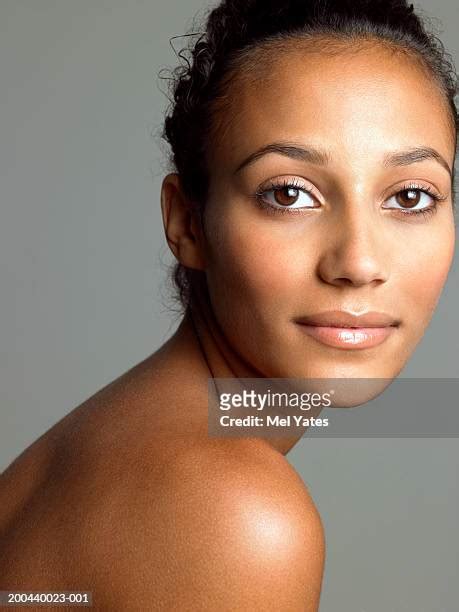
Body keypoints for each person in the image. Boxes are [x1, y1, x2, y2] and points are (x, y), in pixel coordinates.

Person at [1, 0, 457, 609]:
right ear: (188, 222)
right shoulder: (231, 510)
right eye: (289, 193)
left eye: (409, 197)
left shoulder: (114, 443)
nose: (357, 264)